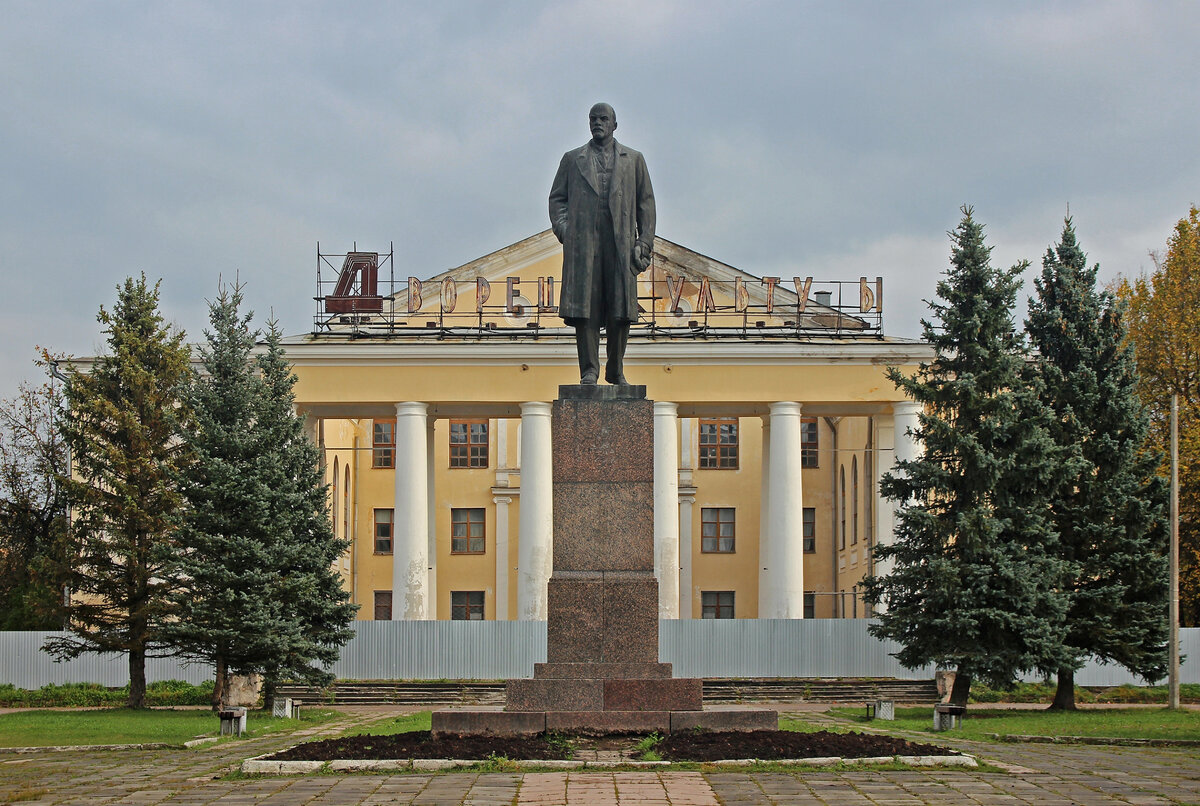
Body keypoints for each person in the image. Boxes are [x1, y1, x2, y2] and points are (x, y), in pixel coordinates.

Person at [549, 103, 656, 385]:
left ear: (614, 124)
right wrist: (566, 231)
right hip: (584, 246)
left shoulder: (633, 160)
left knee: (620, 309)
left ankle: (615, 369)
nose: (598, 123)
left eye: (603, 119)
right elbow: (558, 199)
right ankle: (589, 370)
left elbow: (646, 204)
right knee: (587, 309)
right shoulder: (573, 160)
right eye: (593, 119)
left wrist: (644, 242)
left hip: (620, 245)